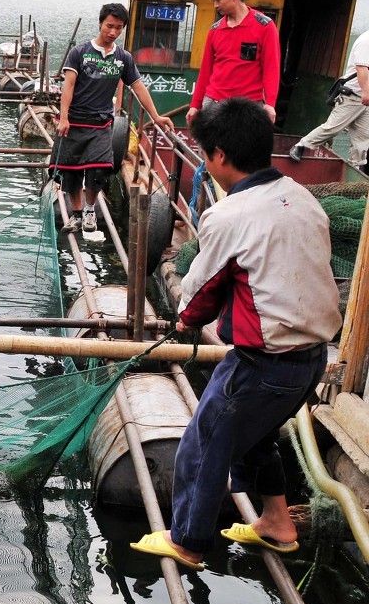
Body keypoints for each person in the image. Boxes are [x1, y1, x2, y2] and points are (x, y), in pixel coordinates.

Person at [131, 98, 342, 570]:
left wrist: (184, 318)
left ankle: (187, 541)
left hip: (265, 362)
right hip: (312, 358)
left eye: (205, 155)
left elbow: (201, 290)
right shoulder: (301, 194)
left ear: (220, 156)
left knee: (204, 443)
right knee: (258, 437)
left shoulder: (230, 214)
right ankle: (277, 523)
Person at [55, 3, 175, 232]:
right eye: (109, 26)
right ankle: (77, 214)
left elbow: (138, 87)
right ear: (100, 23)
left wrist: (156, 116)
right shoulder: (79, 52)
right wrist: (63, 118)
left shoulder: (123, 58)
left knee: (99, 169)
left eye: (119, 28)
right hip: (74, 121)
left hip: (101, 123)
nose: (113, 32)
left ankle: (90, 210)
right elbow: (68, 86)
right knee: (70, 171)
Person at [187, 0, 280, 125]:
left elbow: (271, 68)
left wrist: (270, 103)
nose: (215, 5)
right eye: (213, 0)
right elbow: (205, 71)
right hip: (214, 104)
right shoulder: (215, 30)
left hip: (248, 107)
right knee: (210, 148)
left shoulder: (265, 26)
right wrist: (195, 105)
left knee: (243, 148)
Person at [288, 28, 369, 168]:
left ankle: (355, 172)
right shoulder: (366, 41)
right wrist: (366, 93)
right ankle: (302, 145)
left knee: (362, 139)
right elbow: (362, 69)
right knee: (332, 128)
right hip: (354, 95)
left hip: (365, 100)